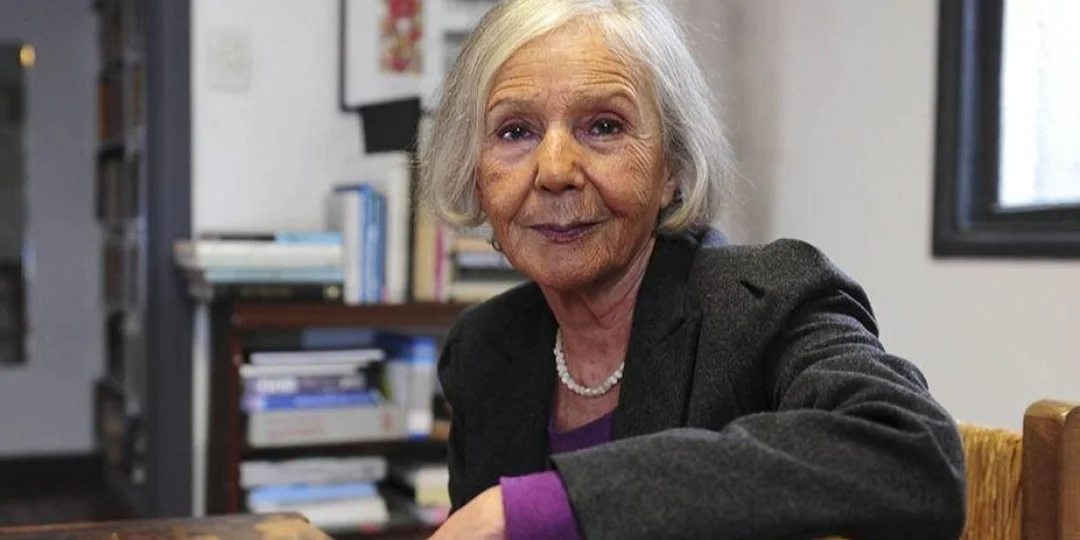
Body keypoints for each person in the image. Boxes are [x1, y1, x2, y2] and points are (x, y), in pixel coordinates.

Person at [421, 0, 966, 539]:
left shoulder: (767, 300)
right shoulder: (483, 348)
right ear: (476, 175)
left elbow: (913, 456)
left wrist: (544, 505)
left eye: (604, 126)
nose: (556, 170)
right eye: (515, 131)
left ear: (673, 168)